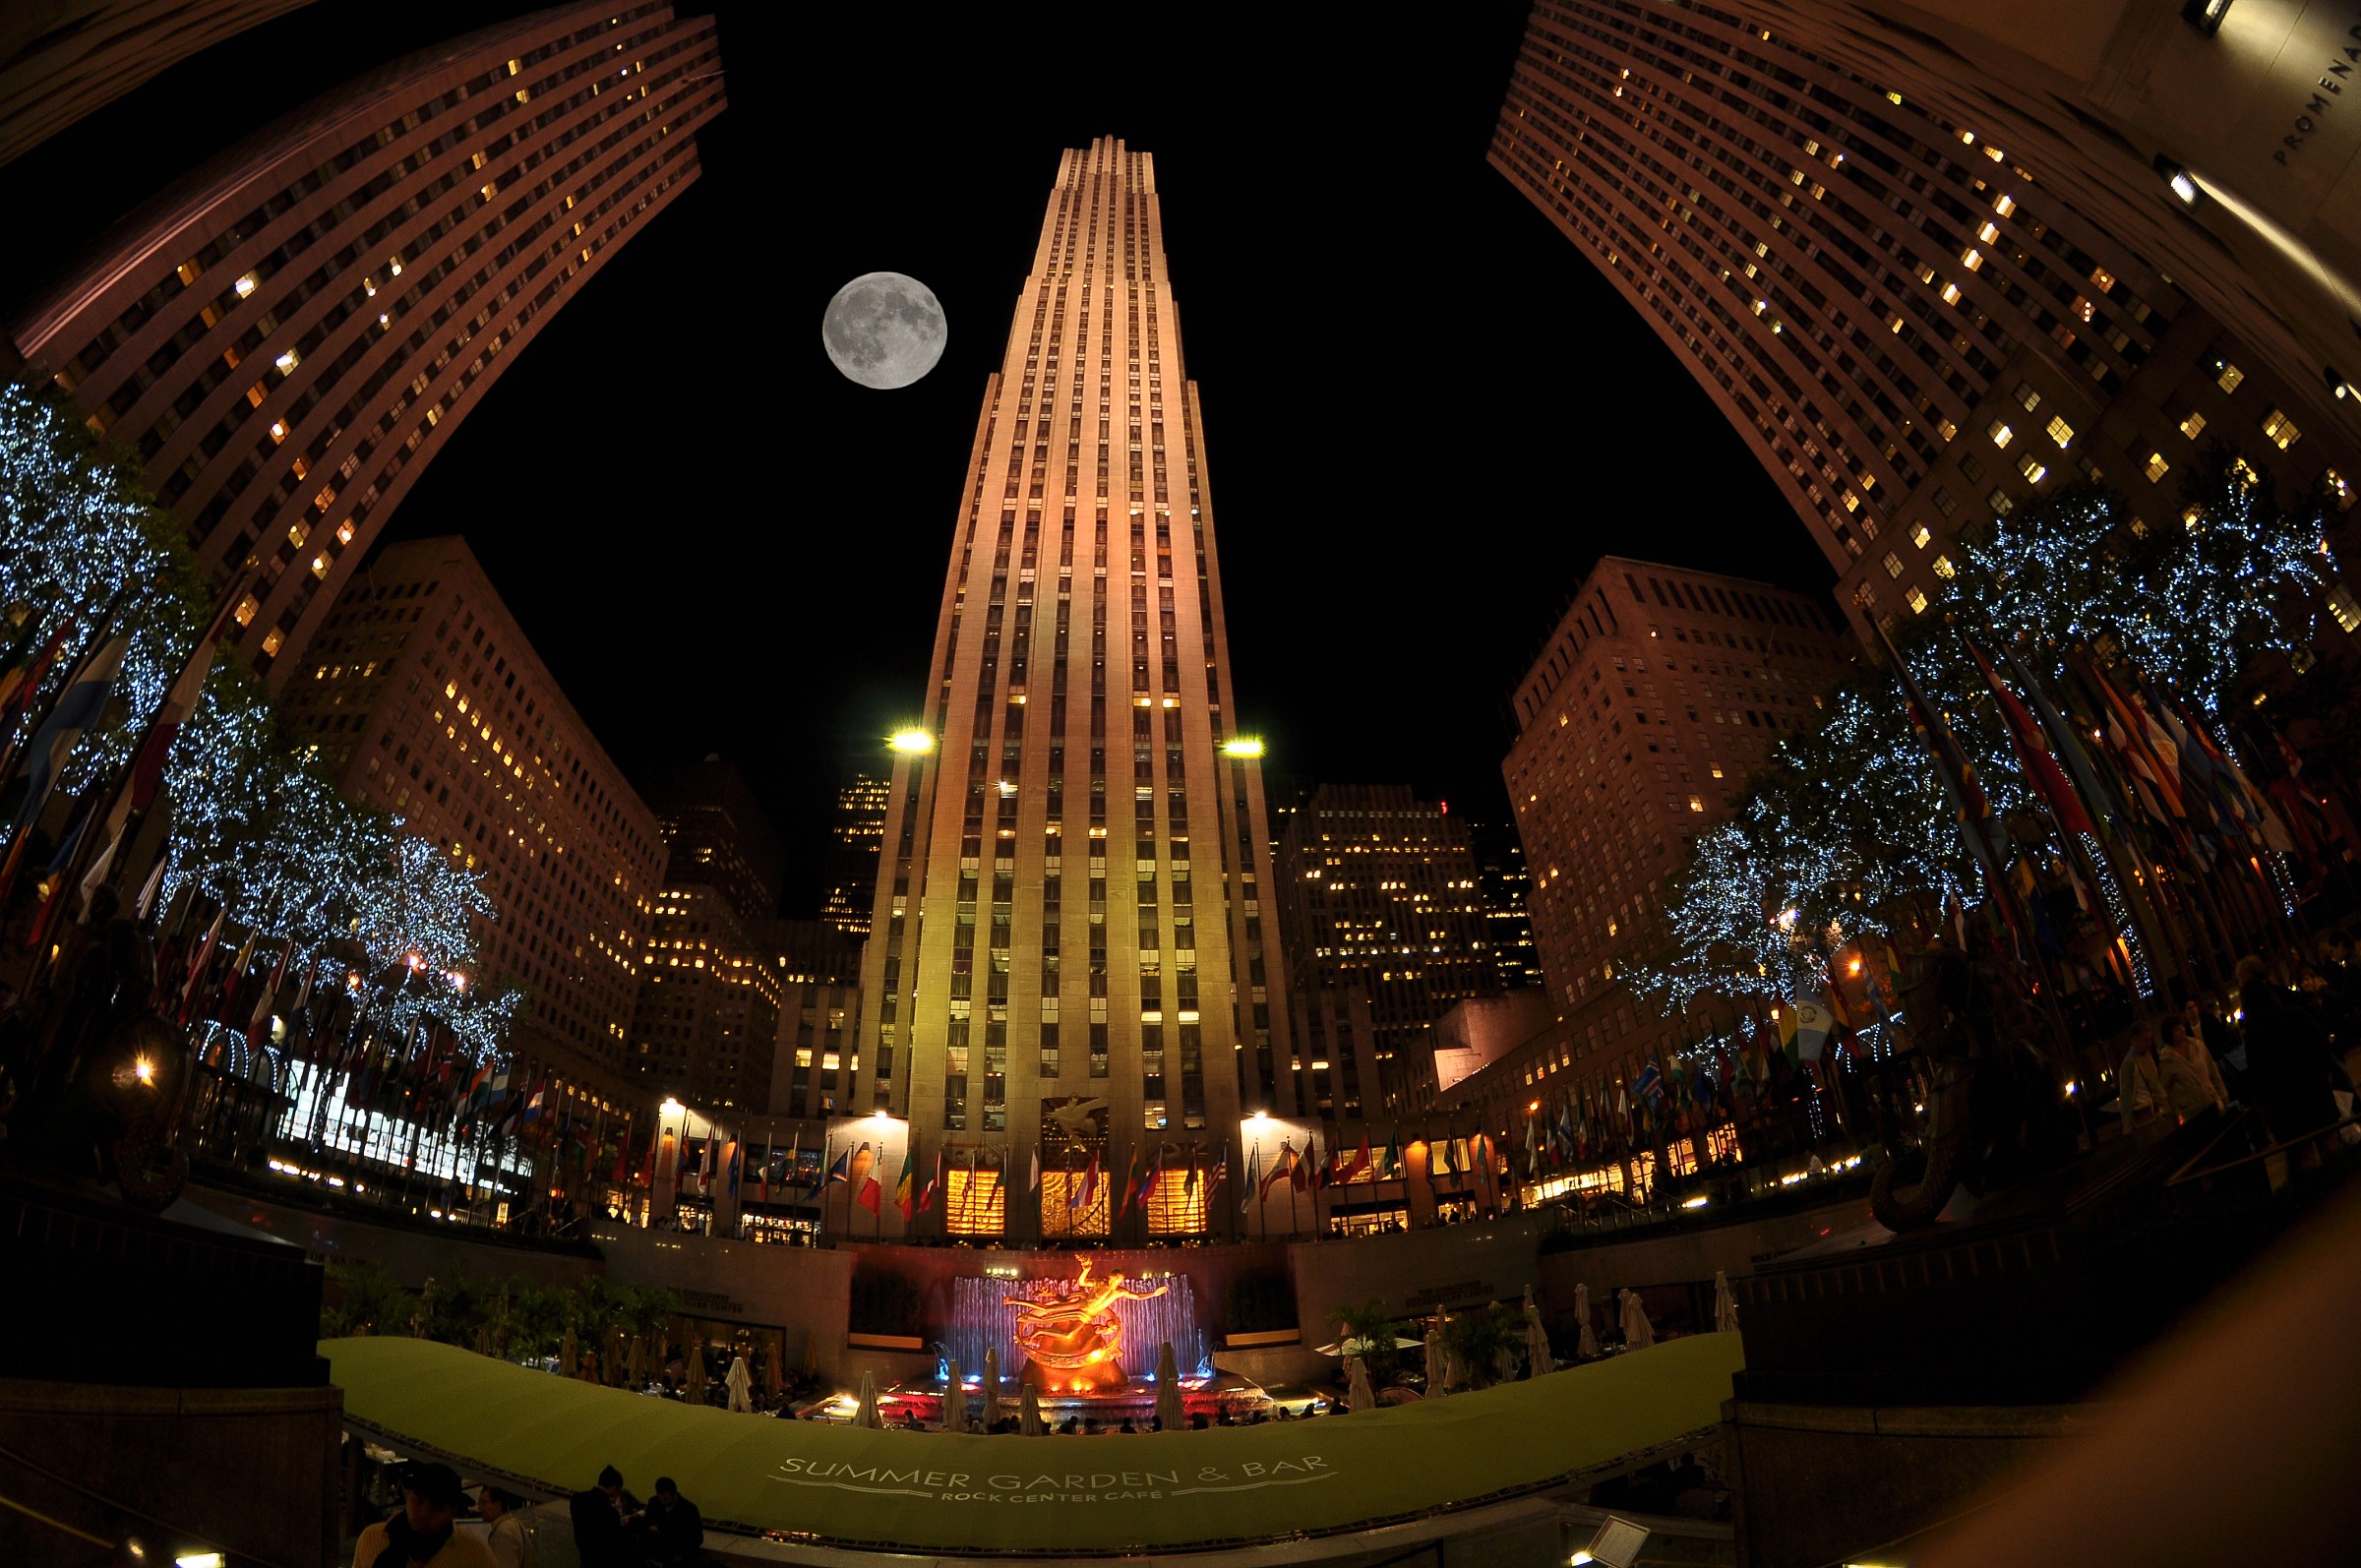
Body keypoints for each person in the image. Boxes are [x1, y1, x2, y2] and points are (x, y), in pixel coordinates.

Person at [352, 1462, 497, 1568]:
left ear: (452, 1512)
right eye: (418, 1501)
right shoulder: (372, 1539)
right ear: (408, 1495)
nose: (423, 1512)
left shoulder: (476, 1554)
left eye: (436, 1508)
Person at [569, 1465, 639, 1568]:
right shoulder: (610, 1512)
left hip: (585, 1557)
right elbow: (614, 1542)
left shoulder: (577, 1499)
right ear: (614, 1488)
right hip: (602, 1561)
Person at [638, 1477, 704, 1567]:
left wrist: (682, 1555)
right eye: (659, 1498)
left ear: (674, 1494)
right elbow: (645, 1524)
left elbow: (697, 1537)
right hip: (655, 1553)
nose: (662, 1502)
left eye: (665, 1499)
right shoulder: (654, 1502)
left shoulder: (689, 1510)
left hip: (676, 1557)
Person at [475, 1486, 528, 1568]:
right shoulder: (514, 1523)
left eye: (484, 1503)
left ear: (497, 1505)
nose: (480, 1508)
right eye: (479, 1503)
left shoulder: (502, 1533)